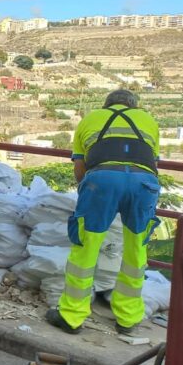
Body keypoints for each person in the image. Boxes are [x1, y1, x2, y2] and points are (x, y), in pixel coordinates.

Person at [46, 89, 160, 335]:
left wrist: (90, 191)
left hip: (103, 180)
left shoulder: (90, 119)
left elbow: (80, 168)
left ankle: (72, 316)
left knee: (86, 247)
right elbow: (152, 162)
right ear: (134, 106)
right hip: (144, 183)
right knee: (135, 249)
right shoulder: (149, 121)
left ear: (106, 105)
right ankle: (128, 319)